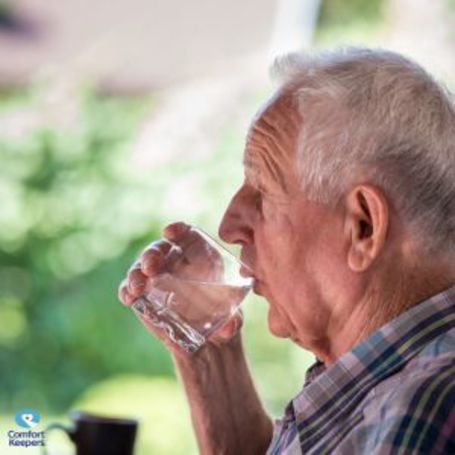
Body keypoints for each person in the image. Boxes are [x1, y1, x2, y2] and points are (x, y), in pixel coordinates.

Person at [118, 48, 455, 454]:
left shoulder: (422, 409)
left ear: (363, 226)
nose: (229, 225)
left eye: (262, 193)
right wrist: (209, 353)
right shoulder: (388, 388)